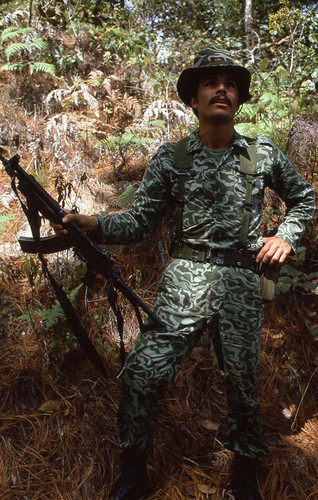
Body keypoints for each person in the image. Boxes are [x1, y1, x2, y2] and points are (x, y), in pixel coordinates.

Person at [51, 46, 315, 500]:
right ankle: (132, 474)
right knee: (142, 375)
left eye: (230, 83)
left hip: (241, 283)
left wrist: (285, 235)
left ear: (239, 99)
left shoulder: (261, 153)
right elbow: (137, 223)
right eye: (211, 83)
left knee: (243, 385)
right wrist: (92, 223)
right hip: (184, 284)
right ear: (193, 99)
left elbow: (305, 198)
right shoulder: (172, 157)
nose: (222, 89)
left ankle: (246, 476)